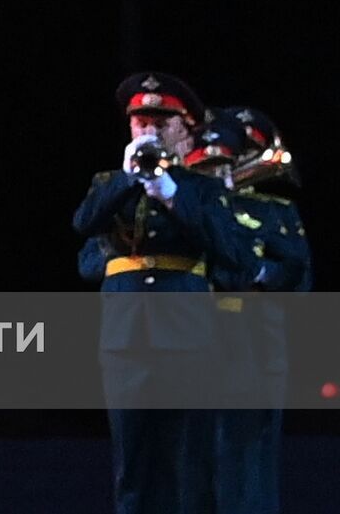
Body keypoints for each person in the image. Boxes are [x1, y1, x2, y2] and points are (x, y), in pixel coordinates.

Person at [72, 72, 252, 514]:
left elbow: (233, 253)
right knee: (131, 466)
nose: (149, 130)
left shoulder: (202, 190)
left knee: (188, 463)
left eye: (161, 122)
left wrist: (174, 197)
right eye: (140, 122)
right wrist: (126, 179)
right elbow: (83, 224)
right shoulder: (109, 184)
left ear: (185, 129)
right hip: (127, 337)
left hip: (186, 336)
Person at [195, 107, 310, 514]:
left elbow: (300, 284)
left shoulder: (277, 210)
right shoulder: (194, 197)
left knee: (252, 464)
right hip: (195, 340)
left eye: (245, 150)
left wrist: (260, 275)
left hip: (255, 343)